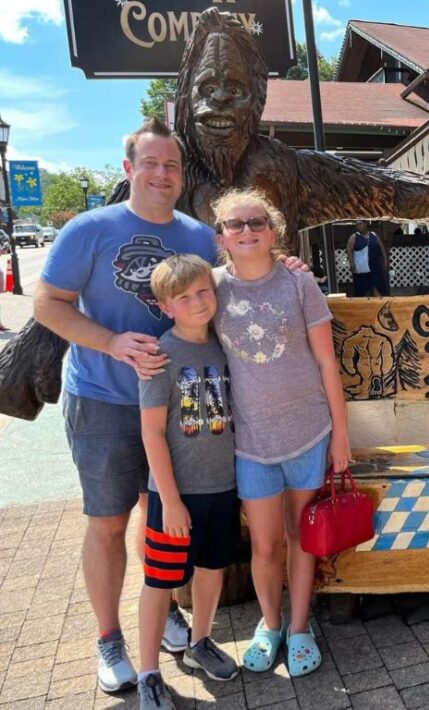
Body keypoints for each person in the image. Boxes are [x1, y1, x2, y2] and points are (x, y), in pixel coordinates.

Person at [33, 117, 306, 694]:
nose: (162, 173)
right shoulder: (89, 228)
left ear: (182, 176)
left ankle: (177, 621)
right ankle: (110, 638)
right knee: (108, 520)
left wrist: (290, 269)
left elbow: (239, 269)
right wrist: (108, 341)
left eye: (172, 165)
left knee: (157, 509)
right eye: (151, 163)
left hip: (184, 409)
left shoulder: (196, 235)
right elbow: (46, 303)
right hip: (105, 397)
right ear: (129, 168)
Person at [212, 188, 351, 678]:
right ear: (222, 236)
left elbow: (326, 360)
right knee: (265, 544)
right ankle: (268, 624)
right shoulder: (212, 289)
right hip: (250, 442)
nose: (246, 231)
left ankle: (298, 627)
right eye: (235, 224)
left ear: (273, 231)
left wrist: (339, 435)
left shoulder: (298, 284)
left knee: (300, 538)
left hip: (308, 432)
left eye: (256, 222)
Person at [137, 255, 240, 709]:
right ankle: (148, 673)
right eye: (184, 297)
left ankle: (200, 642)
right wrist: (171, 501)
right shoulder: (161, 357)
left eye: (204, 292)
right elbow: (152, 432)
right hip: (175, 496)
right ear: (165, 306)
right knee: (160, 582)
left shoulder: (224, 345)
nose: (198, 302)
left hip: (222, 486)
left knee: (212, 569)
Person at [346, 220, 389, 297]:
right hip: (362, 269)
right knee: (364, 290)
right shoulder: (354, 236)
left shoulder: (374, 235)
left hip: (375, 266)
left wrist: (385, 260)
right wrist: (351, 263)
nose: (358, 226)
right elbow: (349, 249)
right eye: (357, 225)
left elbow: (382, 248)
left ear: (365, 224)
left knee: (377, 287)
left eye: (360, 224)